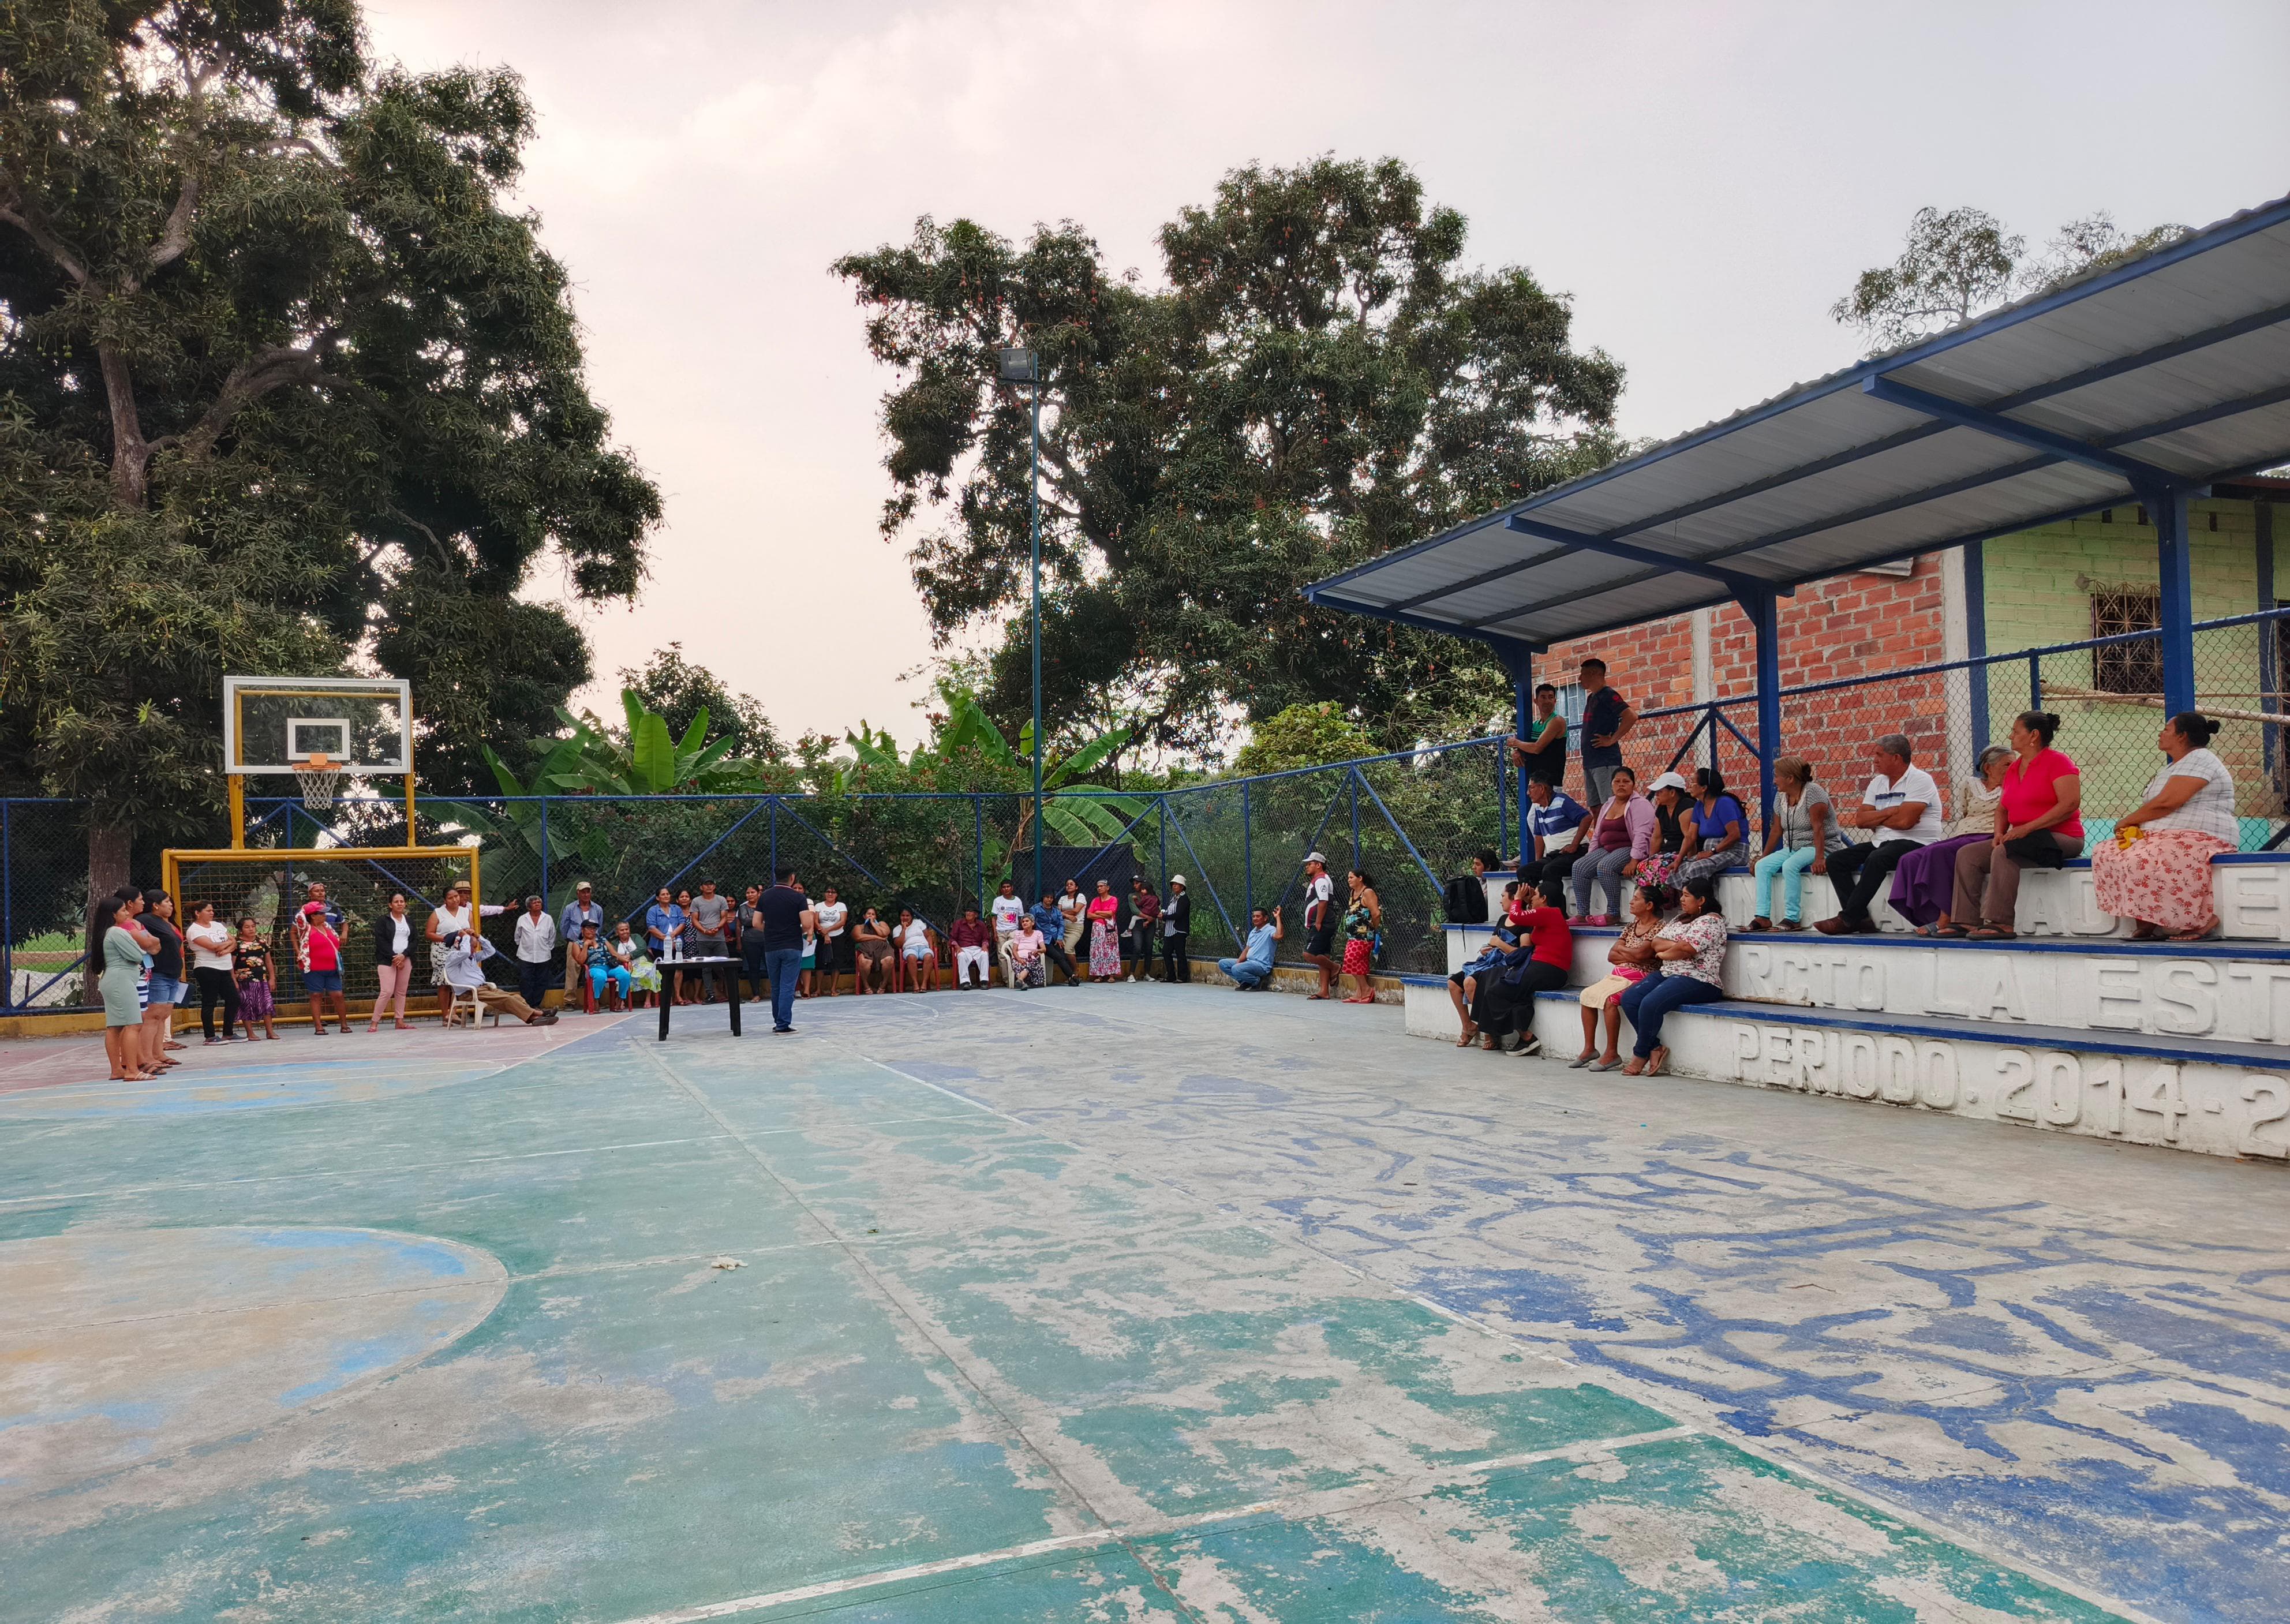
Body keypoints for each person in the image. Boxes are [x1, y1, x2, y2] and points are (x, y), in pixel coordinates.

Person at [2094, 712, 2237, 942]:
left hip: (2202, 835)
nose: (2161, 734)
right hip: (2165, 835)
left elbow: (2168, 802)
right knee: (2108, 851)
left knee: (2154, 855)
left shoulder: (2201, 759)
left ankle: (2203, 920)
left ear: (2182, 736)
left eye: (2167, 730)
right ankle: (2147, 918)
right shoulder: (2174, 766)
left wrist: (2127, 821)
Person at [1950, 711, 2085, 941]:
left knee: (2005, 853)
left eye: (2015, 731)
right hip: (2023, 837)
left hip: (2061, 837)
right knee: (1968, 855)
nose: (2011, 736)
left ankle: (2001, 922)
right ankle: (1966, 921)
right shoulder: (2014, 768)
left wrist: (2027, 828)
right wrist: (1999, 833)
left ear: (2034, 735)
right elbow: (2002, 809)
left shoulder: (2058, 762)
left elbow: (2070, 804)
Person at [1813, 735, 1945, 936]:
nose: (1874, 760)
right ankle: (1861, 919)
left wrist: (1877, 818)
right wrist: (1892, 811)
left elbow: (1905, 823)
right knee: (1836, 860)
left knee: (1878, 858)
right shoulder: (1878, 783)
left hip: (1918, 842)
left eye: (1879, 755)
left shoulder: (1920, 780)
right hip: (1882, 841)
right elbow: (1860, 820)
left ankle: (1848, 919)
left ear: (1896, 758)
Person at [1888, 745, 2012, 933]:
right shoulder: (1970, 785)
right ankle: (1929, 917)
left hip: (1988, 834)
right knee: (1909, 859)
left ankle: (1946, 917)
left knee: (1938, 852)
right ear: (1988, 768)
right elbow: (1965, 812)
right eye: (2007, 764)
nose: (2013, 768)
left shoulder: (2013, 786)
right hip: (1963, 834)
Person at [1618, 875, 1728, 1076]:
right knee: (1630, 999)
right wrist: (1675, 949)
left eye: (1686, 896)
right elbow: (1656, 943)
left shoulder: (1711, 921)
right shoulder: (1680, 918)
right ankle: (1655, 1047)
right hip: (1669, 972)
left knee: (1650, 1003)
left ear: (1701, 900)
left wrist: (1666, 953)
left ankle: (1640, 1054)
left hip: (1700, 979)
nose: (1682, 900)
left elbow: (1687, 949)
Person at [1468, 880, 1570, 1054]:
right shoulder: (1545, 914)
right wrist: (1528, 899)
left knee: (1496, 991)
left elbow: (1516, 916)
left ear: (1544, 899)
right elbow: (1526, 913)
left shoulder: (1550, 912)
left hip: (1550, 969)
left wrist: (1517, 898)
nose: (1532, 898)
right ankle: (1520, 1036)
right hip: (1539, 967)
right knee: (1498, 984)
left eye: (1535, 894)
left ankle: (1527, 1037)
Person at [1573, 885, 1664, 1071]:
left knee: (1611, 1000)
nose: (1631, 902)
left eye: (1636, 899)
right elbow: (1612, 956)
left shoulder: (1660, 927)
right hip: (1618, 974)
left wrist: (1625, 951)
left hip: (1643, 976)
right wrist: (1632, 953)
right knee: (1587, 995)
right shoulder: (1632, 925)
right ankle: (1590, 1049)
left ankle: (1612, 1053)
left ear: (1649, 905)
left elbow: (1641, 956)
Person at [1748, 759, 1843, 931]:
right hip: (1795, 848)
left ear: (1790, 778)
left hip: (1821, 847)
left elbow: (1818, 827)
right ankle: (1762, 917)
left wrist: (1820, 858)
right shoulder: (1780, 797)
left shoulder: (1813, 792)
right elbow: (1777, 830)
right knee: (1762, 866)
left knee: (1790, 866)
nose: (1774, 781)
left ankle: (1792, 919)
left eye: (1777, 776)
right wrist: (1763, 856)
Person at [1569, 766, 1653, 925]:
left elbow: (1642, 835)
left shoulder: (1641, 804)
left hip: (1629, 848)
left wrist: (1634, 861)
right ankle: (1582, 914)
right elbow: (1597, 834)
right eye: (1617, 782)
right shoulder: (1608, 804)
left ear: (1633, 785)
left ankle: (1613, 914)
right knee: (1579, 867)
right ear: (1611, 785)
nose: (1621, 785)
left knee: (1605, 867)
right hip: (1607, 849)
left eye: (1626, 782)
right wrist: (1590, 856)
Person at [92, 896, 154, 1080]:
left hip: (112, 980)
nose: (127, 913)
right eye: (123, 911)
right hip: (121, 981)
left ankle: (117, 1070)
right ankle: (132, 1070)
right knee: (133, 1024)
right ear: (113, 914)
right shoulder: (117, 932)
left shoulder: (106, 932)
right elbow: (137, 955)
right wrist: (141, 949)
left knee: (115, 1027)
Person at [442, 929, 558, 1026]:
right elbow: (465, 953)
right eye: (472, 947)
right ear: (462, 945)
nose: (474, 950)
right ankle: (540, 1014)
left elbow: (491, 951)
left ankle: (534, 1019)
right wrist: (465, 936)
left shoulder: (473, 957)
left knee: (516, 997)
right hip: (469, 993)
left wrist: (478, 937)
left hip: (483, 989)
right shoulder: (453, 957)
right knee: (507, 999)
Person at [427, 883, 503, 1022]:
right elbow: (429, 933)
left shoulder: (467, 912)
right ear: (445, 900)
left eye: (456, 896)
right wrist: (448, 938)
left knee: (459, 980)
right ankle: (445, 1015)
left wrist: (470, 940)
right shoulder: (438, 913)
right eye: (451, 898)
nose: (455, 899)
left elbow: (472, 931)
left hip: (462, 950)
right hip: (442, 949)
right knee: (444, 982)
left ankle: (453, 1013)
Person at [755, 868, 815, 1031]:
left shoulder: (765, 896)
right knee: (788, 986)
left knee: (776, 986)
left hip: (771, 946)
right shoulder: (799, 897)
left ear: (776, 876)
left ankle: (778, 1021)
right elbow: (807, 924)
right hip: (792, 946)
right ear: (792, 877)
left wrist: (771, 930)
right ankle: (783, 1024)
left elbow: (756, 923)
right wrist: (797, 931)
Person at [1446, 916, 1520, 1046]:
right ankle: (1468, 1026)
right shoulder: (1503, 918)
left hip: (1504, 965)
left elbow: (1521, 952)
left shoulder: (1524, 923)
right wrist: (1485, 950)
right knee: (1453, 983)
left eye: (1504, 898)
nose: (1501, 904)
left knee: (1470, 982)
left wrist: (1499, 944)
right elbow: (1492, 944)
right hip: (1489, 961)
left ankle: (1488, 1029)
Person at [1672, 768, 1746, 889]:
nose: (1689, 786)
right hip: (1712, 853)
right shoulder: (1699, 806)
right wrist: (1679, 859)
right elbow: (1690, 836)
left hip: (1733, 851)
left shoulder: (1724, 803)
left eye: (1693, 783)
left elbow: (1735, 835)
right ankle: (1687, 899)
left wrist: (1712, 851)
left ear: (1704, 788)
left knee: (1698, 868)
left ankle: (1699, 899)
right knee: (1678, 870)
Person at [1576, 657, 1636, 807]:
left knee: (1609, 805)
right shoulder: (1591, 698)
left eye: (1583, 674)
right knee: (1596, 807)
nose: (1580, 678)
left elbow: (1631, 716)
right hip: (1590, 762)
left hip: (1605, 761)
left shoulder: (1608, 694)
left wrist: (1611, 740)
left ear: (1594, 673)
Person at [138, 889, 190, 1059]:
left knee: (163, 1016)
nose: (171, 905)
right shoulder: (146, 920)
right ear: (155, 905)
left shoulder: (166, 923)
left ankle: (159, 1054)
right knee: (153, 1016)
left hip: (172, 975)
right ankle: (148, 1057)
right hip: (160, 974)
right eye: (167, 902)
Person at [1522, 779, 1591, 903]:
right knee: (1525, 872)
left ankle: (1556, 909)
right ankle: (1535, 905)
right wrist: (1539, 861)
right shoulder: (1538, 808)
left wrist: (1574, 845)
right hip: (1554, 856)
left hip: (1575, 852)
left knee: (1550, 870)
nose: (1528, 793)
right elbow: (1539, 836)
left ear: (1542, 789)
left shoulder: (1562, 800)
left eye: (1531, 788)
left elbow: (1587, 818)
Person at [185, 901, 240, 1044]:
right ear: (198, 913)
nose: (212, 913)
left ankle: (228, 1033)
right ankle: (210, 1036)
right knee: (210, 1001)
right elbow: (213, 947)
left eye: (212, 910)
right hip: (207, 968)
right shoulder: (195, 930)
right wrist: (227, 944)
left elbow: (234, 941)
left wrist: (227, 949)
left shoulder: (217, 925)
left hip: (224, 967)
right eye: (208, 910)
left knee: (234, 999)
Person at [1632, 772, 1692, 900]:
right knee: (1643, 866)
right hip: (1668, 851)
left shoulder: (1686, 806)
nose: (1656, 795)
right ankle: (1646, 902)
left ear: (1672, 792)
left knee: (1660, 867)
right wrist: (1651, 858)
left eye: (1660, 791)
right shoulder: (1662, 809)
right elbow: (1657, 837)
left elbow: (1690, 838)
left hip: (1683, 851)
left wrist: (1682, 859)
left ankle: (1666, 902)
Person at [298, 897, 350, 1035]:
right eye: (321, 913)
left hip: (332, 967)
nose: (325, 915)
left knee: (338, 995)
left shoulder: (327, 927)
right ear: (313, 916)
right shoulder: (306, 928)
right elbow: (300, 917)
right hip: (313, 968)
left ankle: (344, 1024)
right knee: (316, 995)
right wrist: (307, 907)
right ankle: (319, 1027)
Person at [368, 893, 418, 1030]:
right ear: (390, 905)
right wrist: (395, 958)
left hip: (406, 959)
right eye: (396, 902)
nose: (400, 904)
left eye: (402, 901)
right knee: (387, 991)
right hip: (387, 960)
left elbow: (415, 940)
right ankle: (374, 1022)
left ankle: (400, 1021)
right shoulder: (383, 921)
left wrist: (404, 955)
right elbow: (381, 941)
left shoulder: (409, 921)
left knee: (401, 992)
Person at [1507, 681, 1569, 790]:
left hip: (1551, 784)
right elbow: (1525, 746)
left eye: (1550, 697)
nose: (1547, 701)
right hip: (1535, 782)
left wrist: (1515, 743)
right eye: (1543, 697)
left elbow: (1536, 748)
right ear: (1536, 701)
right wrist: (1516, 751)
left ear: (1555, 701)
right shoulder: (1535, 725)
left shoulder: (1557, 721)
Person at [1339, 869, 1382, 1005]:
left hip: (1364, 936)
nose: (1349, 880)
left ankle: (1367, 990)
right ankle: (1359, 993)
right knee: (1360, 964)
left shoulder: (1368, 893)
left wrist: (1374, 928)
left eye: (1352, 877)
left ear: (1360, 878)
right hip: (1353, 937)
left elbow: (1376, 913)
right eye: (1348, 878)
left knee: (1351, 960)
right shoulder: (1353, 893)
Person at [1300, 852, 1338, 999]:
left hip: (1322, 923)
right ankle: (1324, 991)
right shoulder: (1318, 880)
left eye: (1310, 864)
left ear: (1318, 865)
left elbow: (1323, 901)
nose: (1307, 867)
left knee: (1309, 954)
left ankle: (1335, 967)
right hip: (1322, 923)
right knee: (1323, 956)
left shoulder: (1321, 880)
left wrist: (1318, 922)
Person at [559, 882, 605, 1006]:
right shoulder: (569, 908)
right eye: (583, 892)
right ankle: (569, 1001)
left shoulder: (598, 909)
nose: (586, 894)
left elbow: (600, 927)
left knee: (596, 968)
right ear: (578, 893)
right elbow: (563, 927)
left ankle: (595, 999)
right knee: (572, 971)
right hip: (575, 943)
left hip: (593, 944)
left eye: (588, 892)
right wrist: (571, 940)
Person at [233, 915, 278, 1040]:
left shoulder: (262, 942)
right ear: (241, 930)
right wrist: (234, 980)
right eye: (247, 927)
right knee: (246, 1005)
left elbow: (268, 961)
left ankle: (270, 1032)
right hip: (244, 981)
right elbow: (231, 964)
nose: (251, 929)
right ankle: (250, 1034)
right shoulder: (236, 944)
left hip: (262, 980)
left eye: (253, 926)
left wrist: (272, 978)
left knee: (267, 1004)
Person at [512, 894, 557, 1016]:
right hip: (525, 954)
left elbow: (552, 935)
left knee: (541, 980)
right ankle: (527, 1005)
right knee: (525, 979)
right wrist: (525, 946)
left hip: (543, 954)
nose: (537, 904)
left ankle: (536, 1004)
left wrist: (548, 948)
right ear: (529, 907)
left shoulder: (548, 918)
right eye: (534, 903)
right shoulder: (523, 919)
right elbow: (517, 936)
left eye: (539, 902)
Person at [687, 880, 732, 1001]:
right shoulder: (696, 901)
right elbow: (694, 920)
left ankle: (732, 993)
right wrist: (705, 931)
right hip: (703, 939)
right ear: (701, 887)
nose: (709, 886)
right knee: (706, 968)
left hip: (719, 939)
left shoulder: (721, 900)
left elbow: (724, 917)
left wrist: (717, 928)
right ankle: (710, 995)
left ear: (715, 886)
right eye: (706, 884)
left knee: (726, 965)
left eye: (711, 884)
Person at [1219, 905, 1282, 989]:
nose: (1255, 919)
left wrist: (1278, 917)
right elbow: (1246, 950)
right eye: (1253, 917)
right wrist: (1238, 962)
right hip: (1249, 962)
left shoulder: (1270, 929)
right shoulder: (1253, 932)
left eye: (1258, 916)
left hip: (1261, 966)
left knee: (1236, 969)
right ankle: (1246, 982)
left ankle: (1257, 981)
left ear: (1265, 918)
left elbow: (1279, 936)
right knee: (1223, 964)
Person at [581, 922, 632, 1009]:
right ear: (582, 930)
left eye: (594, 928)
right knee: (600, 977)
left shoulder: (602, 940)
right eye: (589, 928)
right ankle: (595, 1000)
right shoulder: (579, 943)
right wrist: (585, 945)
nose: (592, 930)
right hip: (595, 967)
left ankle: (620, 999)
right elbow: (581, 961)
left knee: (625, 975)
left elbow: (614, 953)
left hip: (610, 966)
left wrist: (627, 961)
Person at [1032, 892, 1079, 985]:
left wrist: (1060, 937)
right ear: (1043, 898)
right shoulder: (1035, 909)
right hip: (1043, 940)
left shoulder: (1056, 910)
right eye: (1047, 897)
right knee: (1058, 957)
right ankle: (1073, 976)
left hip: (1055, 938)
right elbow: (1031, 923)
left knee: (1062, 956)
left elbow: (1061, 924)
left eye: (1051, 898)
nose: (1049, 899)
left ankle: (1070, 979)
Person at [737, 884, 771, 1004]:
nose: (750, 895)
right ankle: (756, 994)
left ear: (759, 893)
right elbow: (744, 921)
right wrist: (760, 919)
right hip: (750, 941)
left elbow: (770, 919)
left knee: (771, 966)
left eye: (753, 892)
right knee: (753, 968)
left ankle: (776, 992)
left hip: (767, 940)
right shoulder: (743, 907)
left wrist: (752, 919)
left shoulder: (766, 905)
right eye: (748, 893)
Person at [812, 886, 849, 995]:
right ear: (824, 893)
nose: (830, 894)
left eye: (833, 892)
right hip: (821, 936)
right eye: (828, 892)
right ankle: (818, 990)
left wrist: (827, 930)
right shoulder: (819, 906)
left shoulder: (841, 906)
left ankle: (833, 989)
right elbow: (816, 922)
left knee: (836, 963)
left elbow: (842, 922)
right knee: (820, 962)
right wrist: (825, 934)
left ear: (837, 894)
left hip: (838, 936)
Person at [949, 906, 995, 990]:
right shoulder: (959, 923)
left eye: (971, 911)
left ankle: (984, 981)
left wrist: (985, 945)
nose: (968, 913)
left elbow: (986, 938)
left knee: (984, 954)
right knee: (961, 956)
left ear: (976, 915)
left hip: (977, 949)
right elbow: (952, 938)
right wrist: (957, 946)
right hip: (964, 949)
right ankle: (965, 982)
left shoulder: (981, 925)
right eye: (967, 911)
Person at [618, 922, 661, 1008]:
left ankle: (648, 999)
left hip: (641, 962)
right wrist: (625, 960)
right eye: (622, 930)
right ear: (617, 932)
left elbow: (643, 948)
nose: (625, 932)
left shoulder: (636, 937)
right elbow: (614, 955)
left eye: (627, 929)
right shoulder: (614, 943)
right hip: (624, 964)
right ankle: (621, 999)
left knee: (650, 971)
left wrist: (630, 956)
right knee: (621, 974)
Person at [893, 907, 937, 992]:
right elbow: (899, 944)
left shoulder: (919, 923)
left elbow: (928, 936)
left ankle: (924, 983)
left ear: (912, 916)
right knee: (911, 957)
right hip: (909, 948)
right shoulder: (897, 929)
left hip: (924, 946)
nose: (905, 918)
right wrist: (904, 929)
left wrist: (931, 949)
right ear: (900, 917)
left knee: (929, 956)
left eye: (908, 916)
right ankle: (915, 983)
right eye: (903, 916)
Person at [1086, 881, 1122, 982]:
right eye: (1098, 887)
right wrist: (1103, 915)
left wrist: (1097, 912)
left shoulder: (1113, 899)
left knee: (1110, 950)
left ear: (1107, 888)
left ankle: (1111, 975)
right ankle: (1099, 974)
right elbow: (1089, 915)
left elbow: (1111, 913)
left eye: (1102, 886)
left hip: (1109, 929)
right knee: (1097, 950)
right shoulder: (1095, 900)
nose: (1099, 888)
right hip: (1097, 929)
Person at [853, 906, 894, 993]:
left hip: (883, 948)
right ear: (864, 916)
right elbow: (858, 937)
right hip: (866, 949)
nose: (871, 916)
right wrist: (877, 937)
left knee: (889, 960)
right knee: (865, 962)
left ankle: (884, 983)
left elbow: (884, 933)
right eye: (869, 914)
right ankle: (866, 985)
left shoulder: (881, 924)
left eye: (873, 914)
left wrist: (873, 924)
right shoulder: (859, 927)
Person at [989, 881, 1025, 982]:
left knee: (1015, 953)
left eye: (1008, 887)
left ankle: (1018, 977)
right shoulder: (997, 901)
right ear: (1001, 889)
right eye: (1004, 887)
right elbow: (994, 918)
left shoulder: (1018, 901)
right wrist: (995, 933)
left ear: (1012, 888)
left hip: (1014, 931)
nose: (1006, 889)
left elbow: (1021, 918)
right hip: (1001, 931)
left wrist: (1023, 932)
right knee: (1002, 955)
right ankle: (1007, 980)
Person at [1125, 878, 1160, 982]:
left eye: (1137, 883)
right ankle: (1131, 974)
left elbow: (1156, 908)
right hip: (1138, 925)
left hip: (1150, 925)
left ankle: (1147, 974)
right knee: (1137, 947)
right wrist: (1148, 917)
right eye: (1134, 884)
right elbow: (1135, 910)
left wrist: (1151, 919)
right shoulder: (1132, 896)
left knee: (1149, 948)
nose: (1135, 886)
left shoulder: (1152, 896)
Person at [1159, 875, 1192, 983]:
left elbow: (1178, 915)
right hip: (1170, 930)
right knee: (1166, 952)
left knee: (1180, 952)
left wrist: (1165, 917)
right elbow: (1171, 912)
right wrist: (1164, 914)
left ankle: (1183, 977)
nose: (1174, 886)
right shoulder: (1174, 898)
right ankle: (1171, 976)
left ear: (1182, 887)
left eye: (1177, 884)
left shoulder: (1184, 899)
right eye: (1173, 884)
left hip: (1179, 930)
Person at [1009, 914, 1049, 987]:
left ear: (1033, 923)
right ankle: (1022, 982)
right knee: (1021, 965)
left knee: (1027, 965)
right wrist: (1019, 959)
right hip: (1018, 958)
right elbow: (1014, 950)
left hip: (1030, 958)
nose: (1024, 923)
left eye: (1027, 921)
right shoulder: (1018, 934)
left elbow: (1044, 949)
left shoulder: (1038, 933)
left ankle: (1020, 980)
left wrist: (1037, 950)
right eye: (1023, 922)